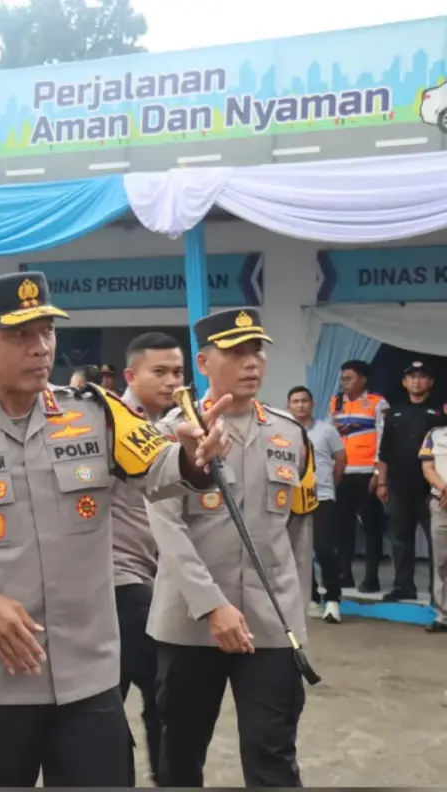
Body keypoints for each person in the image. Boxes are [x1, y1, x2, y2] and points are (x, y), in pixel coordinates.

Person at [0, 272, 230, 788]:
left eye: (47, 332)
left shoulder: (95, 415)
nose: (40, 348)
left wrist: (195, 460)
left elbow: (162, 468)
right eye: (20, 335)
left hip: (89, 681)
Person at [147, 308, 317, 788]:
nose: (251, 364)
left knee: (273, 754)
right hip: (190, 625)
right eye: (236, 352)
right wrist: (212, 606)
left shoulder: (290, 434)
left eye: (257, 351)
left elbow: (299, 534)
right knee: (180, 756)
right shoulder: (170, 434)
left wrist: (295, 615)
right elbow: (167, 530)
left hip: (269, 626)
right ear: (203, 362)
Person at [112, 331, 186, 783]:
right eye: (158, 372)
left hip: (155, 578)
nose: (171, 381)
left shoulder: (177, 426)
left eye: (177, 372)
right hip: (119, 581)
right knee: (163, 694)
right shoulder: (111, 423)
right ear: (131, 375)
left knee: (127, 699)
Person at [377, 361, 444, 603]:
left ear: (431, 382)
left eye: (422, 376)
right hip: (399, 487)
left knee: (438, 544)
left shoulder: (440, 413)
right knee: (400, 540)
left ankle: (439, 594)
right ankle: (403, 586)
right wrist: (382, 482)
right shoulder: (395, 412)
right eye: (412, 377)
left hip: (431, 490)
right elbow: (384, 452)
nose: (417, 381)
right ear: (404, 382)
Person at [287, 386, 346, 623]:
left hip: (321, 497)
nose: (300, 405)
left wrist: (330, 484)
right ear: (288, 405)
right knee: (298, 551)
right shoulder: (283, 431)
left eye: (304, 401)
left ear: (312, 404)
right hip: (291, 499)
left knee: (323, 549)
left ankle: (332, 599)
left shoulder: (326, 430)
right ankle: (310, 596)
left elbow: (341, 460)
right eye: (295, 401)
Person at [330, 360, 387, 592]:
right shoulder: (335, 402)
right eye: (342, 378)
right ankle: (345, 575)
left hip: (366, 475)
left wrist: (377, 472)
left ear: (363, 379)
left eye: (349, 378)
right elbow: (331, 437)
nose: (344, 382)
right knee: (343, 528)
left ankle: (371, 578)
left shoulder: (377, 403)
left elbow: (384, 438)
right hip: (342, 474)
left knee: (372, 528)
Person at [418, 425, 447, 633]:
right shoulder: (434, 434)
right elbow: (428, 468)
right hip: (441, 503)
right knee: (442, 560)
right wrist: (445, 489)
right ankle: (444, 615)